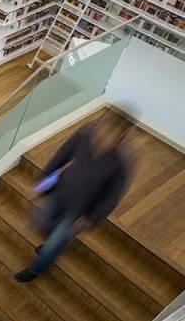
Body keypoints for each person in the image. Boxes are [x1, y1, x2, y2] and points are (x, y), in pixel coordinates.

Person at [14, 111, 133, 283]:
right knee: (41, 222)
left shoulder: (121, 165)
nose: (101, 135)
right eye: (102, 127)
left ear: (119, 138)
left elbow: (112, 198)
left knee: (56, 242)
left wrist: (91, 218)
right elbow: (60, 157)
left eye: (109, 133)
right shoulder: (84, 136)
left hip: (79, 211)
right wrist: (43, 180)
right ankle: (51, 245)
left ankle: (37, 269)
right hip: (59, 192)